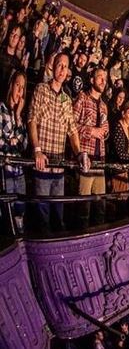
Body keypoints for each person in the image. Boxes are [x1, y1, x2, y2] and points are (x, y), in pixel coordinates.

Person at [28, 52, 89, 232]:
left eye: (65, 66)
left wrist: (79, 153)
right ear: (53, 66)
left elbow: (72, 130)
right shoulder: (41, 89)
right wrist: (37, 150)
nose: (62, 70)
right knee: (42, 216)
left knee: (58, 215)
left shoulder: (66, 99)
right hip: (43, 163)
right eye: (60, 65)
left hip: (59, 166)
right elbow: (32, 119)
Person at [72, 67, 109, 229]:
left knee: (100, 207)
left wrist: (104, 133)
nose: (103, 81)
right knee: (83, 208)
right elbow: (71, 124)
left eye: (105, 79)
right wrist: (91, 131)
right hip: (85, 158)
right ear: (92, 80)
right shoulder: (82, 98)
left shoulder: (104, 106)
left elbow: (105, 132)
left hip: (99, 160)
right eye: (100, 77)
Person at [0, 71, 28, 233]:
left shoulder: (19, 115)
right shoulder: (1, 109)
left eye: (23, 87)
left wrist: (18, 115)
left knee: (20, 209)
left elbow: (23, 144)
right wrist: (10, 142)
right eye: (18, 85)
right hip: (5, 170)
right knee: (8, 210)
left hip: (19, 170)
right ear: (11, 85)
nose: (20, 90)